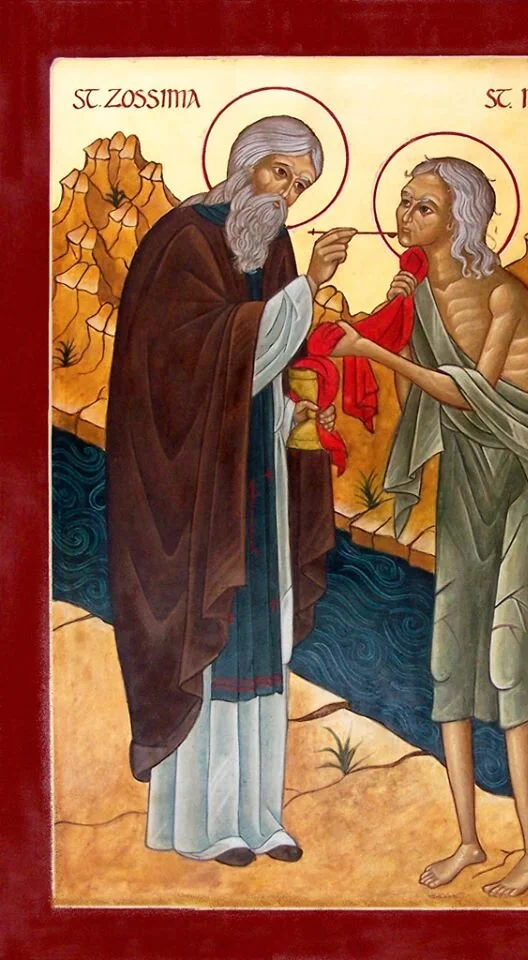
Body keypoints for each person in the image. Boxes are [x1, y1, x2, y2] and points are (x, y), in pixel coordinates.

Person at [331, 157, 528, 897]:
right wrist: (398, 321)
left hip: (525, 483)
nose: (405, 215)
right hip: (468, 483)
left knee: (509, 664)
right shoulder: (426, 295)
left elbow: (467, 392)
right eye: (405, 202)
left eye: (422, 206)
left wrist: (375, 348)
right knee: (452, 658)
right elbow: (428, 392)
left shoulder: (503, 293)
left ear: (462, 218)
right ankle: (465, 840)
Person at [106, 116, 356, 867]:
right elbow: (185, 363)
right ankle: (203, 824)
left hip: (255, 476)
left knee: (257, 640)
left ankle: (258, 814)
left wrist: (293, 405)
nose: (286, 195)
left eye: (301, 185)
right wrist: (305, 292)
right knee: (210, 640)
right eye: (279, 174)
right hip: (190, 489)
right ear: (245, 164)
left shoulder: (271, 246)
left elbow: (267, 363)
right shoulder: (181, 239)